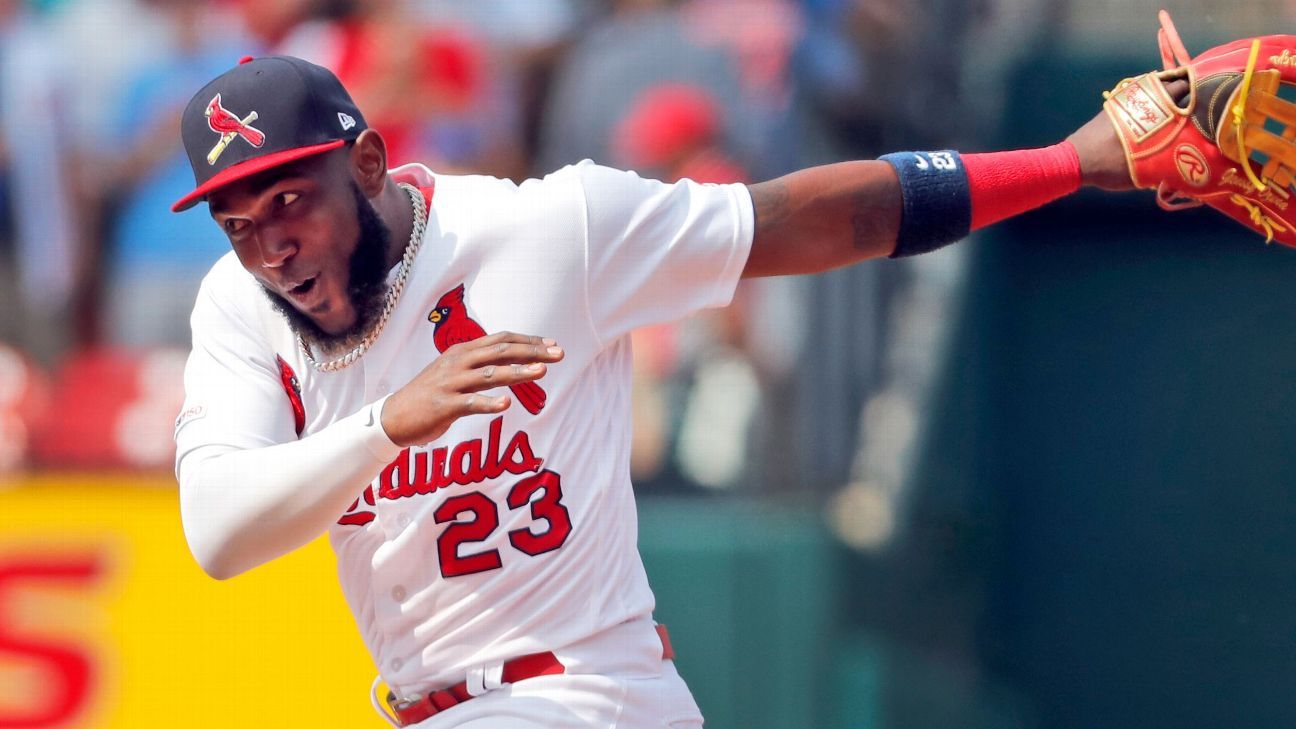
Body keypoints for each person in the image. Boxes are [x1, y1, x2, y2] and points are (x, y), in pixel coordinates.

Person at [170, 55, 1151, 727]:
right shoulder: (240, 306)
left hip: (579, 694)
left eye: (292, 200)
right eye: (239, 222)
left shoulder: (550, 232)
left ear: (369, 163)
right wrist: (389, 423)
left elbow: (820, 221)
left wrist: (1073, 163)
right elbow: (217, 533)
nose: (271, 245)